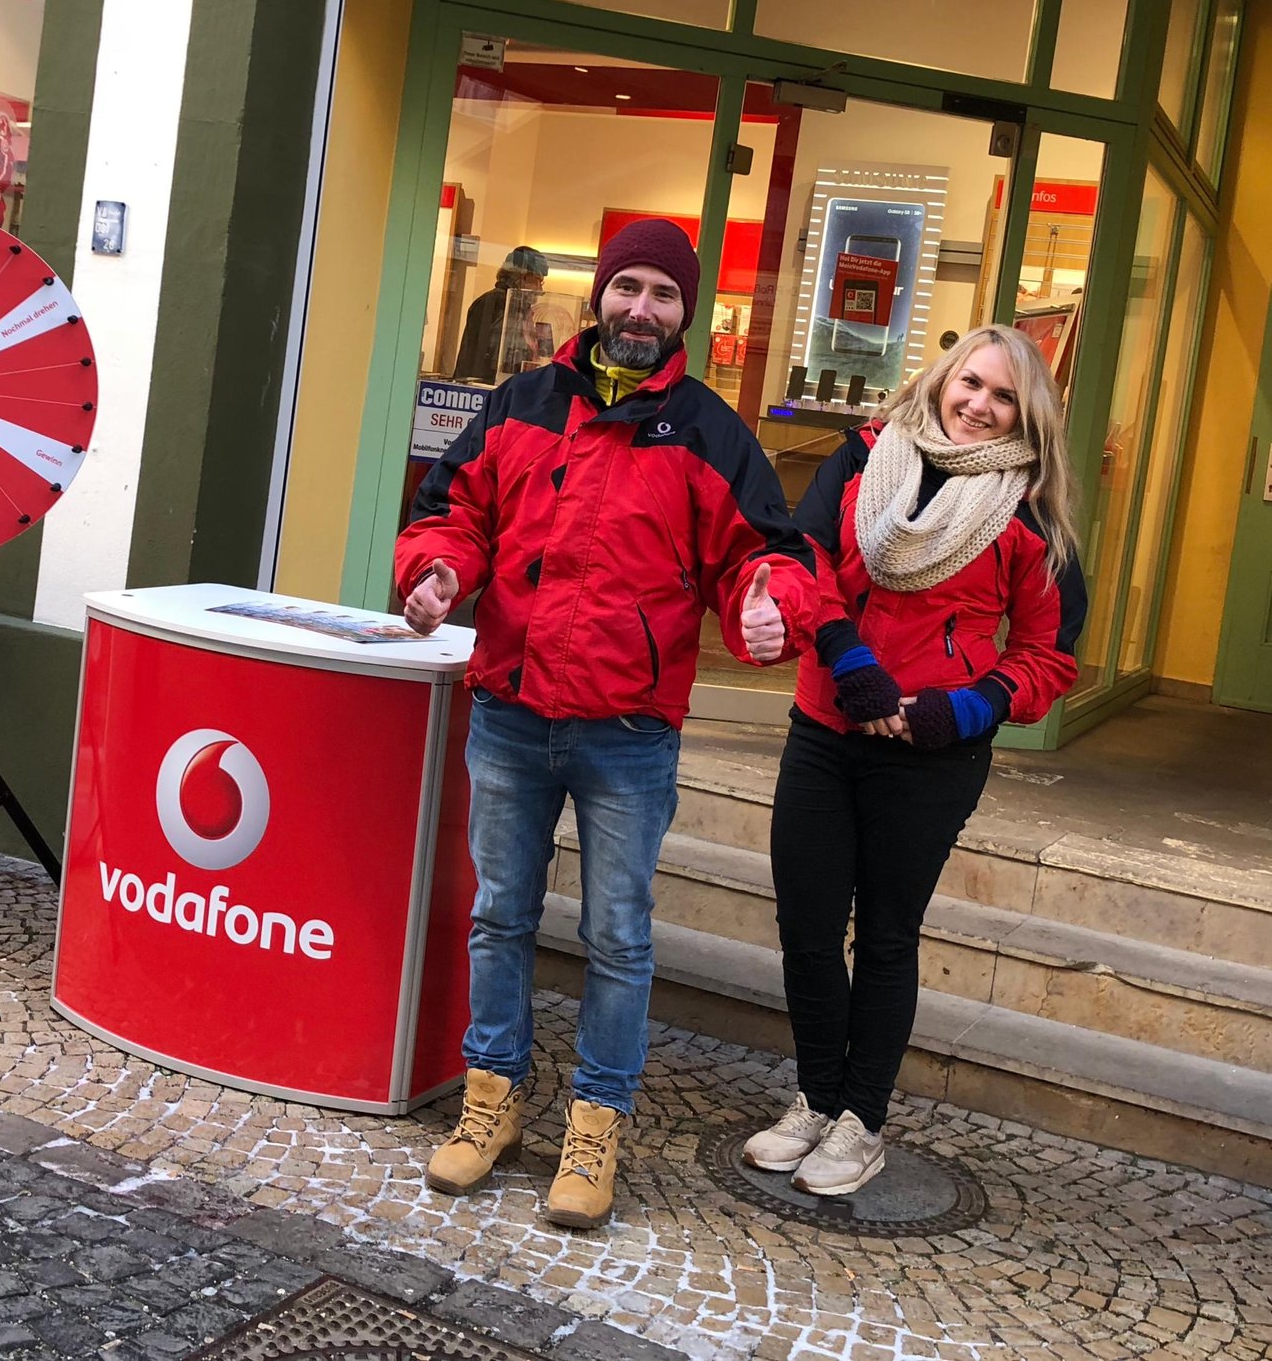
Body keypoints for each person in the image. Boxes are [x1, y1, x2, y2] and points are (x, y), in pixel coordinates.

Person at [398, 217, 818, 1231]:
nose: (640, 308)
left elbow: (771, 554)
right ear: (600, 298)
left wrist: (769, 599)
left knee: (616, 937)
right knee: (500, 914)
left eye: (662, 294)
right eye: (627, 286)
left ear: (685, 313)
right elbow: (448, 510)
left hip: (627, 731)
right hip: (509, 709)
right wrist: (438, 571)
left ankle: (596, 1126)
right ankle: (489, 1100)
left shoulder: (711, 432)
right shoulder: (516, 405)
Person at [743, 323, 1087, 1196]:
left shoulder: (1031, 506)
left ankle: (862, 1120)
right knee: (808, 929)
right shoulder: (866, 452)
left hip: (930, 755)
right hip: (826, 727)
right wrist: (847, 658)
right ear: (942, 379)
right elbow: (803, 559)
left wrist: (962, 709)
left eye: (1003, 396)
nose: (978, 405)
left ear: (1028, 413)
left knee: (888, 936)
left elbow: (1049, 654)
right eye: (970, 383)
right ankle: (817, 1099)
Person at [454, 245, 549, 382]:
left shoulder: (502, 303)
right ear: (522, 277)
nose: (540, 290)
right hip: (489, 388)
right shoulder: (500, 303)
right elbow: (502, 357)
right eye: (538, 281)